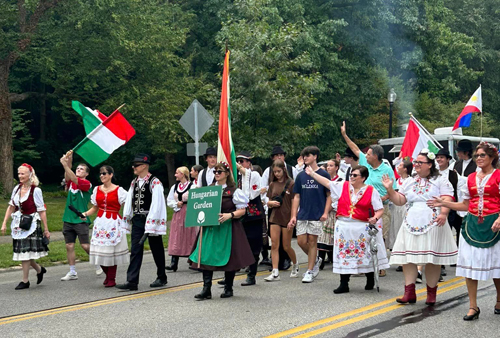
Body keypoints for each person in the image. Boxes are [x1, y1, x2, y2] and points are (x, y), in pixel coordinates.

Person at [429, 142, 500, 320]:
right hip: (472, 224)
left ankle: (499, 299)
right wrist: (444, 203)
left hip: (494, 223)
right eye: (477, 156)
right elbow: (465, 205)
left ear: (492, 157)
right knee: (470, 265)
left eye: (483, 155)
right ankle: (473, 306)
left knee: (496, 264)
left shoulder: (499, 176)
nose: (479, 158)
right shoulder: (469, 179)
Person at [382, 149, 457, 306]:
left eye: (419, 163)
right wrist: (389, 189)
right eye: (415, 162)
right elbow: (400, 200)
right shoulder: (409, 181)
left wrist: (443, 213)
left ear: (429, 165)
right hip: (411, 220)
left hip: (432, 220)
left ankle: (431, 293)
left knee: (432, 259)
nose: (415, 165)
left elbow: (447, 197)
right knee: (408, 257)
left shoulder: (440, 180)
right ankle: (409, 292)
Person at [308, 165, 389, 293]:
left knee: (365, 253)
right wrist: (313, 174)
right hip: (344, 226)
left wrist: (375, 218)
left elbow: (379, 209)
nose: (351, 177)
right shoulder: (343, 186)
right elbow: (328, 183)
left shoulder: (371, 191)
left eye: (355, 175)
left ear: (363, 178)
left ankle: (370, 278)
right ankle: (344, 283)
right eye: (351, 174)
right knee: (343, 254)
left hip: (361, 227)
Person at [190, 162, 254, 300]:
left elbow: (242, 210)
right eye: (215, 172)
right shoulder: (209, 190)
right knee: (206, 256)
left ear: (227, 173)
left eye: (219, 171)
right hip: (210, 228)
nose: (217, 174)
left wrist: (229, 215)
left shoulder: (234, 191)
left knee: (229, 258)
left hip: (227, 228)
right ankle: (206, 289)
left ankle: (228, 288)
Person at [341, 121, 396, 277]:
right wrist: (345, 135)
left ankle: (381, 264)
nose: (365, 156)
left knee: (380, 236)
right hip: (363, 207)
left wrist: (383, 197)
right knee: (362, 236)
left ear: (376, 156)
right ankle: (363, 265)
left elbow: (393, 189)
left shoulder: (386, 169)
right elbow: (354, 148)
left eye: (369, 154)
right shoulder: (365, 163)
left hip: (381, 208)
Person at [116, 154, 168, 291]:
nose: (134, 167)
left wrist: (151, 223)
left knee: (156, 248)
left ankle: (162, 276)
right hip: (138, 219)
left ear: (144, 166)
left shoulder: (154, 182)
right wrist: (127, 216)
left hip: (151, 219)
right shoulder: (134, 182)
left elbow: (157, 204)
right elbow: (129, 201)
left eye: (136, 165)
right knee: (135, 249)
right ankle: (132, 281)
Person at [1, 164, 50, 290]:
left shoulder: (36, 190)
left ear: (30, 175)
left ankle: (25, 280)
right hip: (19, 223)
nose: (20, 176)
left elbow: (41, 210)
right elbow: (11, 206)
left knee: (25, 253)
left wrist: (46, 229)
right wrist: (4, 223)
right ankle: (39, 270)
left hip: (31, 224)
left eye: (23, 174)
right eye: (19, 174)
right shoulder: (17, 188)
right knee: (24, 252)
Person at [288, 146, 331, 283]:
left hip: (317, 214)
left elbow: (329, 195)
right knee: (301, 242)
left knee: (313, 242)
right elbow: (296, 197)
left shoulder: (323, 174)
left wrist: (325, 212)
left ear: (315, 157)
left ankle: (310, 270)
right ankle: (316, 259)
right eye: (304, 155)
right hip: (303, 213)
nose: (305, 158)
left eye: (308, 155)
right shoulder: (301, 176)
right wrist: (293, 215)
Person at [81, 165, 129, 287]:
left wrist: (127, 219)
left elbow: (127, 206)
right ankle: (108, 275)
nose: (102, 176)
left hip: (113, 223)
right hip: (101, 223)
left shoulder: (119, 191)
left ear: (111, 175)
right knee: (98, 250)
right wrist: (85, 214)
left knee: (111, 251)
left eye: (105, 173)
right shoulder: (97, 189)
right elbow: (95, 207)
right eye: (101, 174)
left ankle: (111, 277)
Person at [59, 151, 98, 281]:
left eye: (82, 169)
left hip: (80, 219)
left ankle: (99, 262)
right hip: (68, 219)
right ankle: (72, 272)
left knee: (85, 245)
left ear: (86, 174)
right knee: (69, 245)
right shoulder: (72, 182)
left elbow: (73, 177)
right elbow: (69, 175)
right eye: (77, 168)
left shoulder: (86, 184)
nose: (79, 170)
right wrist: (69, 159)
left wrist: (65, 165)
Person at [264, 160, 298, 281]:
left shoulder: (291, 183)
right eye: (275, 172)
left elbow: (295, 201)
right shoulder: (272, 184)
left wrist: (293, 217)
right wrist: (270, 203)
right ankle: (275, 271)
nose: (277, 174)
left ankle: (295, 264)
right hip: (275, 216)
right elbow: (267, 200)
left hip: (287, 216)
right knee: (274, 244)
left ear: (284, 170)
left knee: (287, 246)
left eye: (279, 171)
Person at [236, 151, 265, 286]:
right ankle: (230, 273)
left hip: (253, 216)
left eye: (242, 161)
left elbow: (251, 194)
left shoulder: (254, 174)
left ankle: (251, 275)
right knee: (236, 245)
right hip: (240, 215)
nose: (239, 164)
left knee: (254, 246)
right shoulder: (236, 177)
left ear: (249, 162)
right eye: (238, 161)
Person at [436, 149, 461, 278]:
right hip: (437, 207)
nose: (439, 160)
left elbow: (458, 190)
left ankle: (450, 259)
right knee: (439, 236)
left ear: (447, 160)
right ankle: (440, 266)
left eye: (442, 157)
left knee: (451, 234)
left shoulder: (453, 174)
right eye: (438, 157)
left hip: (451, 207)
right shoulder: (433, 173)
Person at [165, 167, 196, 272]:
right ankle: (174, 262)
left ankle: (193, 261)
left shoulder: (193, 186)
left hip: (189, 213)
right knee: (176, 235)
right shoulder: (175, 186)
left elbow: (197, 199)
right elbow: (169, 200)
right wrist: (175, 204)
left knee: (190, 234)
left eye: (177, 173)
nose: (175, 175)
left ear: (183, 174)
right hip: (178, 213)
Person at [317, 159, 343, 270]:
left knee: (333, 237)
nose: (328, 168)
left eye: (331, 166)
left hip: (334, 212)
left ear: (336, 167)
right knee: (322, 236)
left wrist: (330, 208)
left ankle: (334, 259)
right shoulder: (324, 180)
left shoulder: (340, 181)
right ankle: (320, 260)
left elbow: (340, 197)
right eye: (327, 166)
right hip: (324, 211)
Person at [389, 160, 413, 251]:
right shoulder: (396, 181)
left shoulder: (410, 181)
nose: (398, 167)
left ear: (405, 169)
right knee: (396, 228)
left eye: (400, 166)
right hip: (396, 207)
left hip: (405, 206)